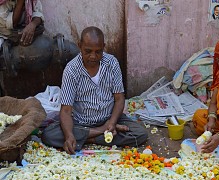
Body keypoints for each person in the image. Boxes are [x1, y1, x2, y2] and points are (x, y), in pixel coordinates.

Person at [41, 26, 148, 155]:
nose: (93, 56)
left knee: (140, 133)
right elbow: (66, 110)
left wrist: (112, 123)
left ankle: (87, 138)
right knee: (49, 135)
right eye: (88, 51)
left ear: (104, 46)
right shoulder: (71, 70)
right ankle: (100, 134)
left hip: (108, 119)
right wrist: (69, 135)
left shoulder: (112, 63)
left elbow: (119, 99)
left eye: (98, 52)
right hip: (81, 122)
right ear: (79, 46)